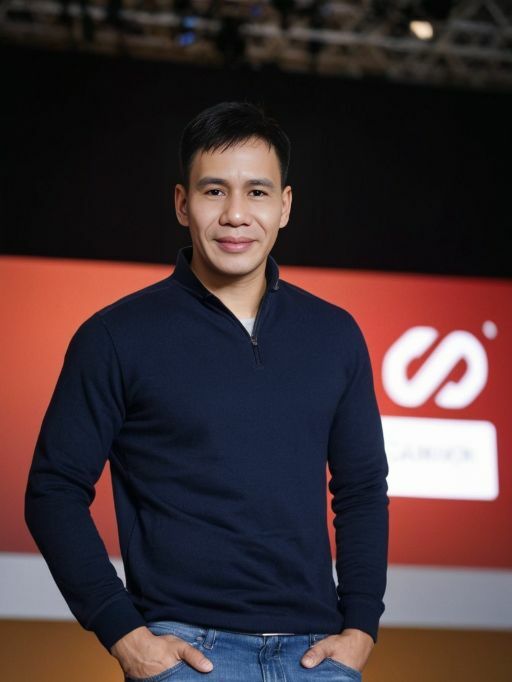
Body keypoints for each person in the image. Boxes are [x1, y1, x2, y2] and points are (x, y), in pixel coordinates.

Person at [25, 100, 389, 681]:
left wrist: (361, 627)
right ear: (181, 203)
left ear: (285, 206)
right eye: (214, 191)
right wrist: (125, 636)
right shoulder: (115, 336)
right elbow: (52, 491)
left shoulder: (335, 334)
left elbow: (362, 489)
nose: (236, 215)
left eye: (257, 192)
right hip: (188, 655)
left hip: (317, 656)